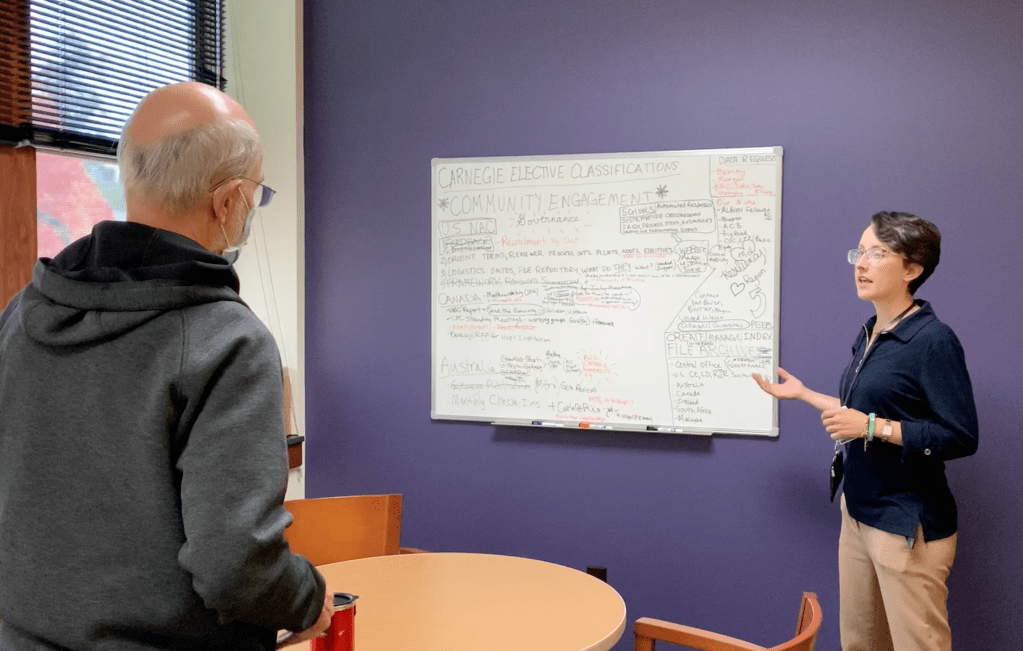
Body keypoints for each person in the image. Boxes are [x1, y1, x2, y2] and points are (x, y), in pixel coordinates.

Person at [0, 82, 332, 649]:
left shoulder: (22, 312)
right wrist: (309, 599)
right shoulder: (228, 342)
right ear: (227, 202)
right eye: (256, 194)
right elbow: (236, 565)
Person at [753, 211, 978, 651]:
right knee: (859, 643)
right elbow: (863, 414)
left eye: (878, 253)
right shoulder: (872, 332)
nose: (861, 263)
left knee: (917, 645)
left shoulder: (933, 340)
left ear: (912, 269)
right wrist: (805, 395)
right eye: (860, 251)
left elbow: (959, 436)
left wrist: (872, 427)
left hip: (905, 525)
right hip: (857, 512)